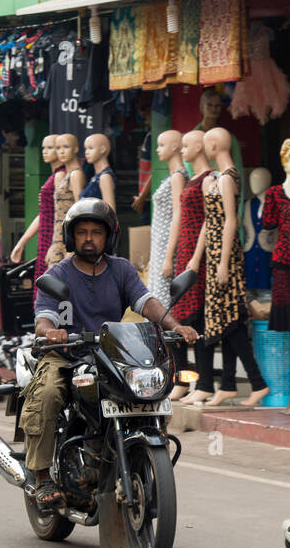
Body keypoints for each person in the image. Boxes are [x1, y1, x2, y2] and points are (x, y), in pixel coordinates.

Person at [24, 200, 199, 510]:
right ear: (71, 237)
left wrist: (175, 325)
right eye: (82, 233)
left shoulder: (121, 269)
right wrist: (50, 331)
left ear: (109, 236)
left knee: (146, 392)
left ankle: (136, 454)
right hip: (66, 353)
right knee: (48, 393)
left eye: (96, 232)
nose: (89, 238)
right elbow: (44, 316)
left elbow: (146, 302)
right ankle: (40, 476)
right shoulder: (60, 272)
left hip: (108, 354)